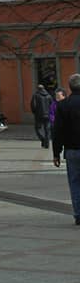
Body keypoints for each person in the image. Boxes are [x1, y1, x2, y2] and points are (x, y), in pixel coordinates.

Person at [50, 74, 80, 225]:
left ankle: (78, 214)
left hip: (72, 150)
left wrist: (56, 153)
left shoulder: (63, 106)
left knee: (75, 182)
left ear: (69, 87)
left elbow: (57, 131)